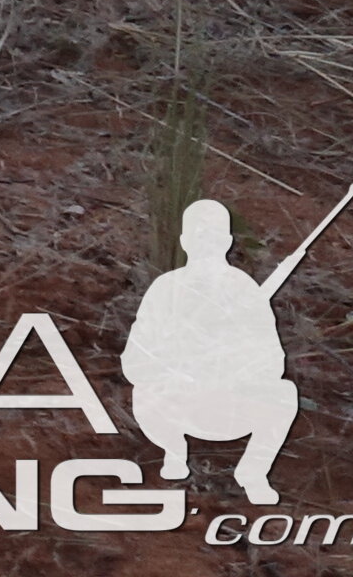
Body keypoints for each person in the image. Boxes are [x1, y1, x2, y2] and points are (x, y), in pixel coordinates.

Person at [125, 198, 305, 504]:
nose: (205, 243)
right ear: (184, 241)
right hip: (177, 403)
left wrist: (233, 367)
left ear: (227, 241)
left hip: (230, 405)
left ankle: (253, 472)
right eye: (198, 235)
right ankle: (174, 451)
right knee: (143, 393)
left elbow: (272, 361)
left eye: (212, 236)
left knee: (284, 394)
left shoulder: (246, 292)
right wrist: (176, 370)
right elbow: (134, 360)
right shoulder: (165, 289)